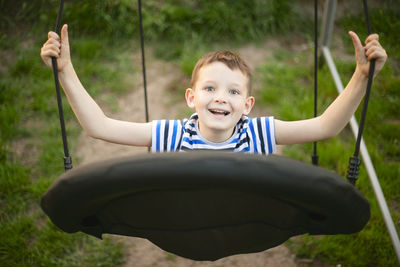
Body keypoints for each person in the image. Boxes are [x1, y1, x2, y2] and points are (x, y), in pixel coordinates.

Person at [40, 24, 387, 154]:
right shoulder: (174, 135)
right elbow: (100, 127)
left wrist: (361, 76)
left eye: (234, 93)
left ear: (248, 105)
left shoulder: (259, 134)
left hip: (244, 223)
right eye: (210, 88)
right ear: (191, 98)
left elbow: (325, 126)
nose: (221, 97)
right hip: (187, 225)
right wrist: (65, 71)